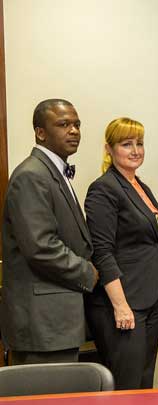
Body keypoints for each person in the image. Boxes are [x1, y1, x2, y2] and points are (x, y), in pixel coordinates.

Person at [0, 99, 98, 364]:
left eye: (77, 124)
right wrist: (87, 271)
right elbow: (40, 247)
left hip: (57, 322)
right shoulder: (31, 175)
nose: (74, 131)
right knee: (45, 404)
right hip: (42, 324)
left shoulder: (52, 171)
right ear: (40, 133)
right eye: (64, 124)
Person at [84, 118, 158, 389]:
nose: (135, 150)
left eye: (139, 143)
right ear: (109, 149)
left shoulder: (139, 185)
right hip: (122, 303)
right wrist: (120, 306)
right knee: (126, 385)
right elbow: (102, 253)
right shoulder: (104, 188)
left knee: (143, 380)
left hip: (150, 298)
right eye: (126, 144)